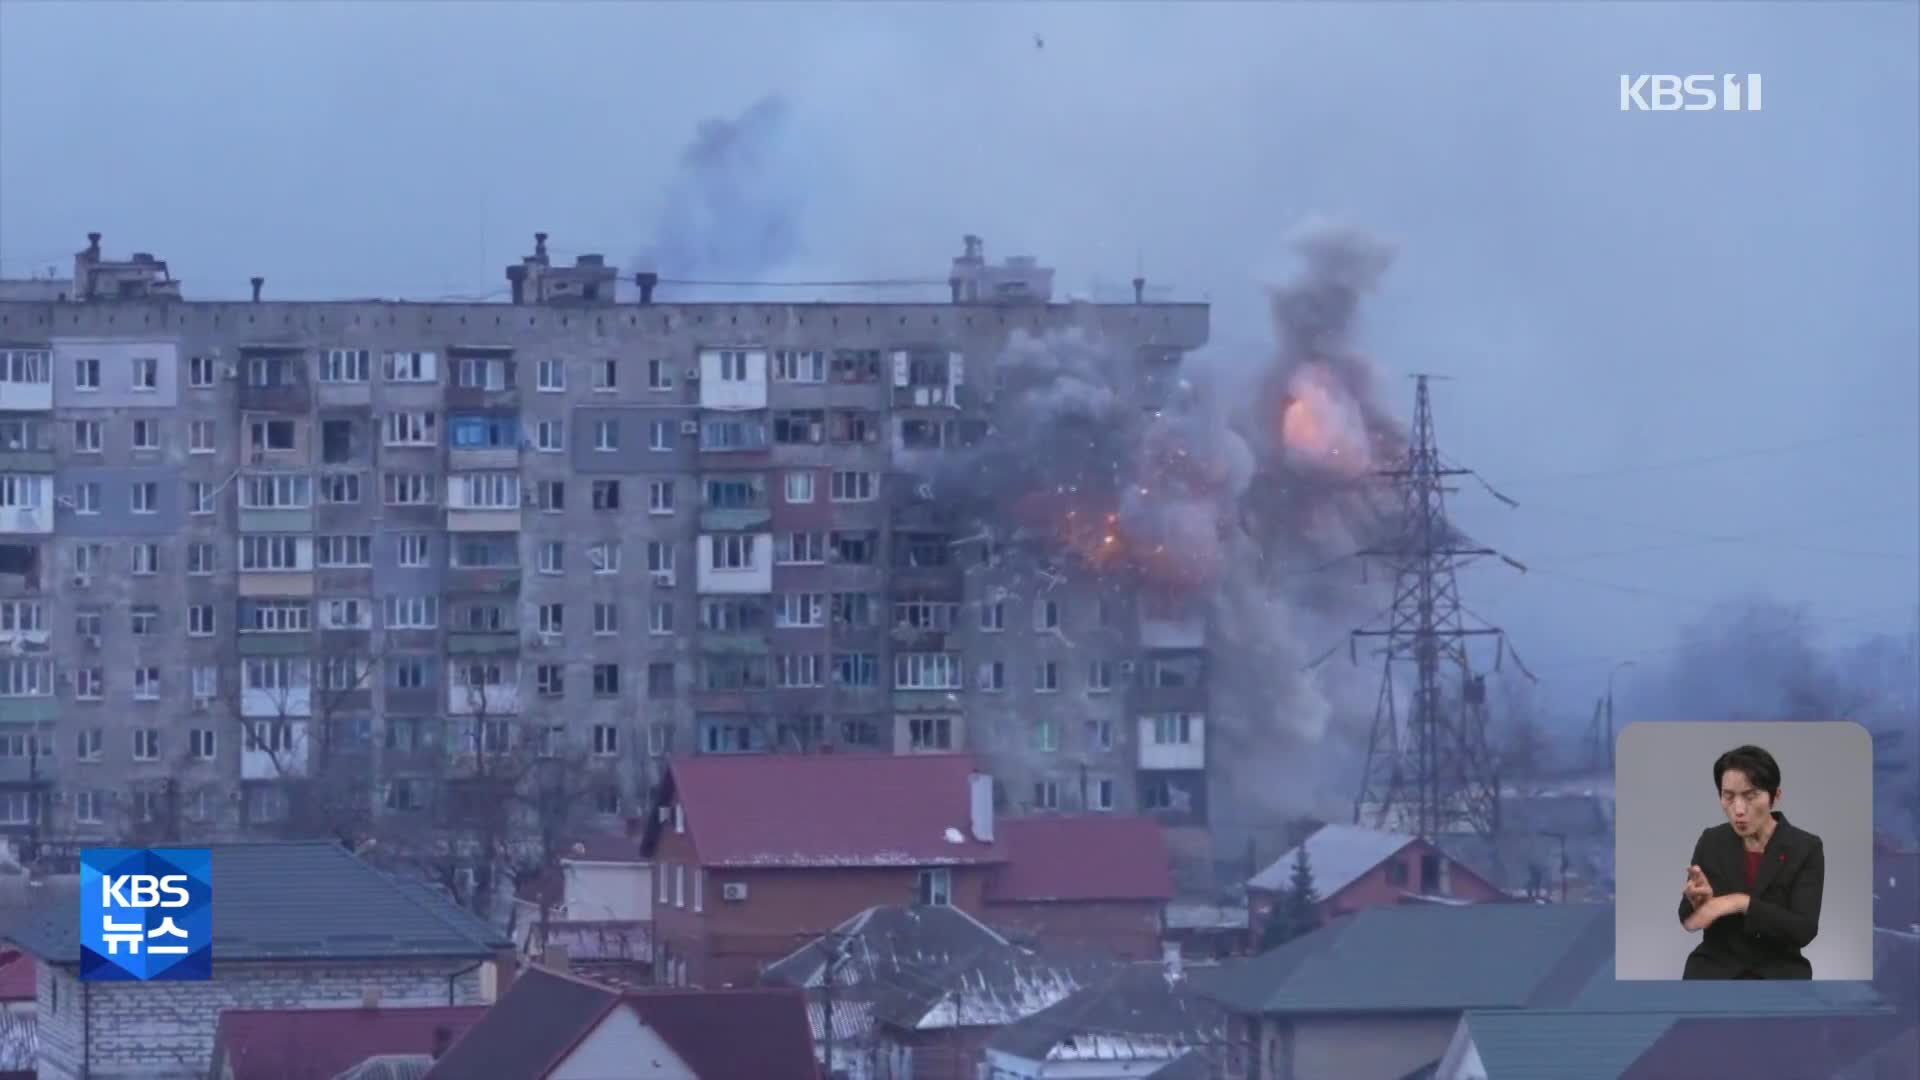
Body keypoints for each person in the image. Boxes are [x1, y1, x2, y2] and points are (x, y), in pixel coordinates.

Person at [1677, 744, 1825, 979]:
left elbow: (1804, 929)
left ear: (1775, 796)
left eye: (1750, 796)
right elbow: (1689, 922)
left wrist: (1741, 903)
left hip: (1779, 974)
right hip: (1714, 971)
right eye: (1728, 797)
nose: (1738, 809)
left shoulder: (1805, 847)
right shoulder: (1711, 841)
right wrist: (1697, 904)